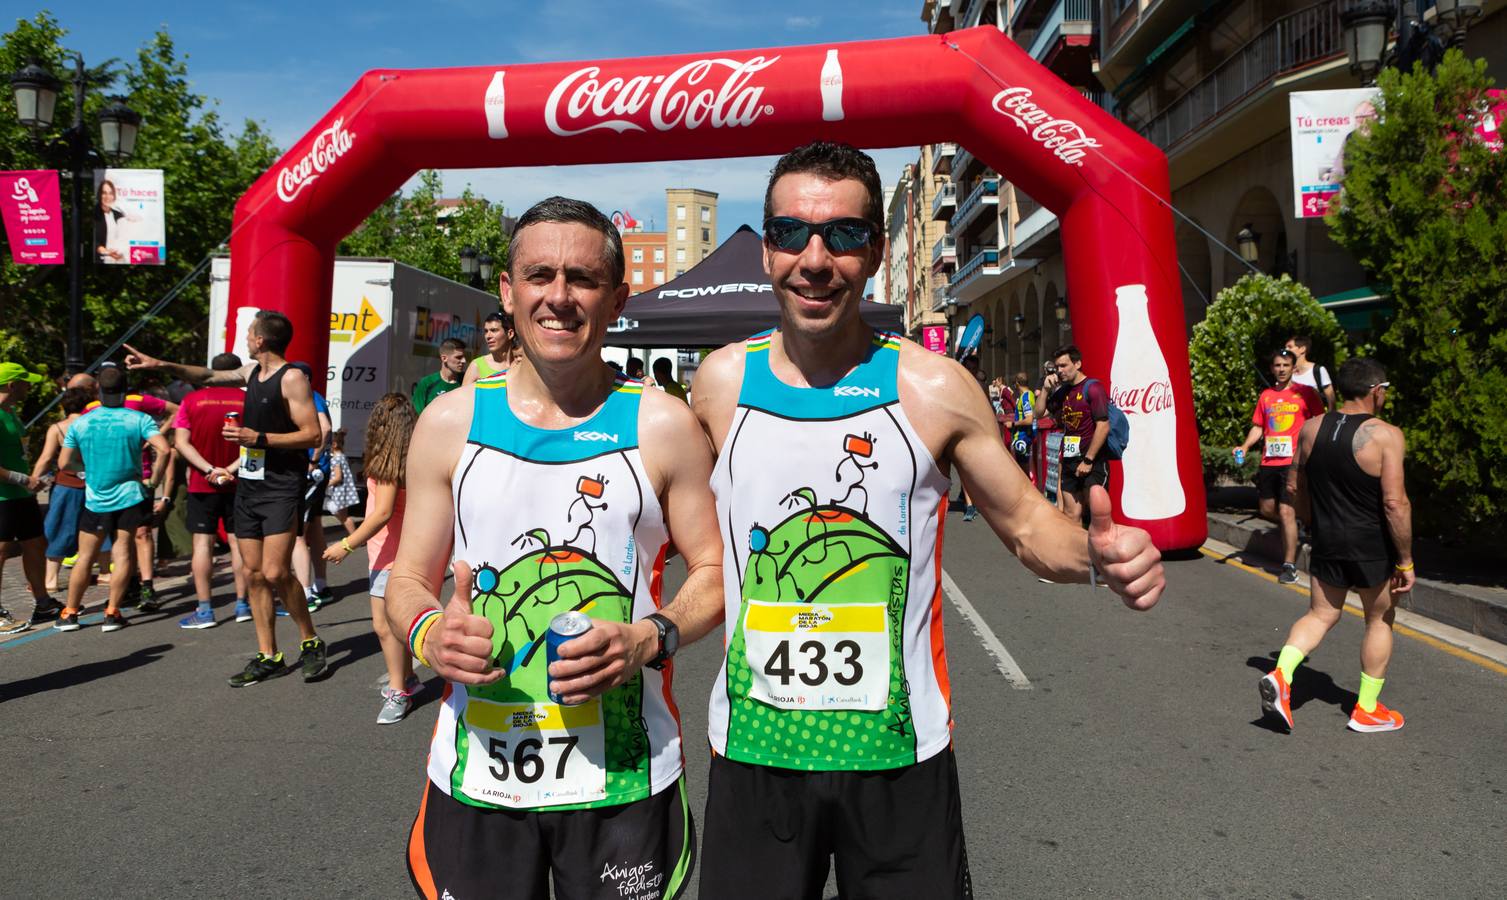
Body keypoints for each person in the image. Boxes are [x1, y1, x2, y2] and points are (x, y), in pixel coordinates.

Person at [689, 141, 1164, 898]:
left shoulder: (933, 385)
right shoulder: (718, 384)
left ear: (874, 252)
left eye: (842, 236)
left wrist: (1096, 556)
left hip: (897, 759)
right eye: (791, 234)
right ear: (766, 247)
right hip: (756, 754)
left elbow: (1026, 526)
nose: (815, 259)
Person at [388, 197, 724, 899]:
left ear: (617, 298)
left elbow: (717, 571)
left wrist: (648, 637)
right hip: (479, 773)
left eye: (583, 278)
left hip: (624, 777)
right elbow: (406, 579)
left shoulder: (661, 425)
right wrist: (427, 633)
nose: (559, 297)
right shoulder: (449, 423)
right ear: (508, 292)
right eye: (539, 275)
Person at [124, 310, 329, 686]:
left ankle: (311, 641)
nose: (246, 339)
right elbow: (204, 376)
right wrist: (160, 364)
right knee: (251, 573)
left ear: (261, 340)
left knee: (276, 572)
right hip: (249, 486)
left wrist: (259, 439)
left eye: (249, 334)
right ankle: (269, 655)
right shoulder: (252, 372)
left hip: (282, 485)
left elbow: (312, 435)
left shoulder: (293, 378)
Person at [1259, 358, 1413, 734]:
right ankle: (1366, 709)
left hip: (1327, 538)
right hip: (1371, 545)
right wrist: (1406, 560)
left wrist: (1312, 521)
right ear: (1377, 391)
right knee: (1378, 619)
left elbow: (1295, 486)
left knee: (1320, 615)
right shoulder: (1386, 435)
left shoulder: (1311, 429)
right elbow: (1395, 503)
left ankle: (1282, 673)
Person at [323, 394, 418, 723]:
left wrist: (345, 545)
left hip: (389, 555)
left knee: (384, 626)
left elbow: (382, 514)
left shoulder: (388, 464)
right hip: (405, 551)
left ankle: (398, 690)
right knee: (400, 624)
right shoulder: (409, 458)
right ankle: (407, 679)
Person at [57, 365, 171, 632]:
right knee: (122, 554)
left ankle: (70, 613)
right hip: (130, 495)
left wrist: (85, 471)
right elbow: (164, 450)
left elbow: (63, 463)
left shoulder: (82, 422)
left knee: (85, 556)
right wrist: (153, 481)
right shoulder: (138, 419)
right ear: (125, 389)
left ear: (98, 389)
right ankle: (112, 612)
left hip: (95, 497)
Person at [82, 364, 178, 612]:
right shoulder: (91, 409)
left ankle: (147, 587)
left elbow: (177, 411)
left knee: (142, 533)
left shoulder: (137, 401)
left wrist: (155, 435)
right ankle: (129, 587)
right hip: (107, 484)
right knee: (120, 541)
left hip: (140, 479)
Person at [1232, 349, 1324, 584]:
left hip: (1293, 462)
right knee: (1266, 509)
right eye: (1277, 365)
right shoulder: (1266, 396)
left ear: (1294, 368)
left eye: (1286, 365)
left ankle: (1289, 566)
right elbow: (1258, 427)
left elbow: (1319, 422)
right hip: (1269, 461)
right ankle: (1299, 523)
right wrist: (1244, 445)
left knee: (1285, 511)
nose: (1281, 369)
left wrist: (1310, 452)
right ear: (1272, 368)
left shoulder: (1306, 393)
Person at [171, 352, 249, 629]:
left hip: (202, 484)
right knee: (239, 544)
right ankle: (243, 604)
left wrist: (209, 470)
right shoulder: (248, 400)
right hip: (238, 481)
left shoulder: (191, 400)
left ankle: (205, 610)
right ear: (238, 372)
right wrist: (229, 469)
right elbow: (256, 443)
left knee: (202, 544)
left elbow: (181, 443)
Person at [0, 363, 64, 632]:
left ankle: (43, 603)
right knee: (1, 552)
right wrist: (23, 479)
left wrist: (30, 481)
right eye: (25, 382)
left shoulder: (11, 412)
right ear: (12, 385)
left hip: (21, 495)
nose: (30, 386)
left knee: (35, 544)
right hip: (3, 496)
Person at [31, 387, 92, 593]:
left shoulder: (58, 428)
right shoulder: (93, 424)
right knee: (96, 529)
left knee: (58, 530)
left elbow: (46, 459)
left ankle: (51, 580)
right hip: (95, 484)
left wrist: (32, 481)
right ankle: (105, 573)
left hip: (66, 485)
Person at [1046, 344, 1111, 527]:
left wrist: (1088, 461)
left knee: (1096, 512)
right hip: (1069, 460)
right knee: (1071, 514)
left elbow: (1103, 426)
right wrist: (1045, 390)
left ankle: (1101, 553)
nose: (1059, 371)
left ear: (1077, 364)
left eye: (1064, 365)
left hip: (1092, 461)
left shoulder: (1093, 388)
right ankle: (1077, 555)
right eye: (1057, 366)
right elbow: (1038, 413)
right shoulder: (1063, 391)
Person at [288, 361, 334, 612]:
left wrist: (313, 460)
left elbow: (325, 428)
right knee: (314, 529)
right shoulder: (315, 396)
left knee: (297, 535)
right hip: (318, 472)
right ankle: (321, 585)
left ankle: (306, 594)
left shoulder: (310, 397)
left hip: (311, 472)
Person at [460, 312, 521, 387]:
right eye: (486, 331)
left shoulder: (521, 364)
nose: (488, 336)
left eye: (494, 330)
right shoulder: (477, 366)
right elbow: (463, 398)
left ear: (510, 334)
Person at [412, 338, 467, 414]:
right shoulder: (426, 383)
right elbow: (416, 416)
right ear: (444, 358)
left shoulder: (467, 381)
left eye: (464, 357)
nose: (464, 361)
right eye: (458, 357)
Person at [94, 179, 142, 265]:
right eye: (104, 193)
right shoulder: (95, 215)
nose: (107, 197)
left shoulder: (117, 214)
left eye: (110, 193)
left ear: (114, 196)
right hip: (101, 261)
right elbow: (94, 242)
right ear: (99, 195)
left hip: (117, 259)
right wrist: (107, 252)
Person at [323, 429, 359, 537]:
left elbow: (338, 477)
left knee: (343, 517)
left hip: (339, 491)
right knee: (342, 516)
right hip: (344, 491)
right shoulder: (343, 457)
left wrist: (326, 484)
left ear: (334, 444)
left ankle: (356, 538)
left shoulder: (335, 459)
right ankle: (356, 537)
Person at [1286, 334, 1334, 411]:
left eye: (1290, 347)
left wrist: (1329, 419)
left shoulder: (1318, 370)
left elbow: (1331, 398)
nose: (1286, 349)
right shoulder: (1287, 373)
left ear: (1302, 349)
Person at [1010, 371, 1036, 475]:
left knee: (1023, 471)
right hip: (1025, 437)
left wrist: (1012, 424)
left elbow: (1029, 419)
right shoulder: (1029, 395)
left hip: (1023, 437)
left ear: (1017, 383)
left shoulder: (1026, 397)